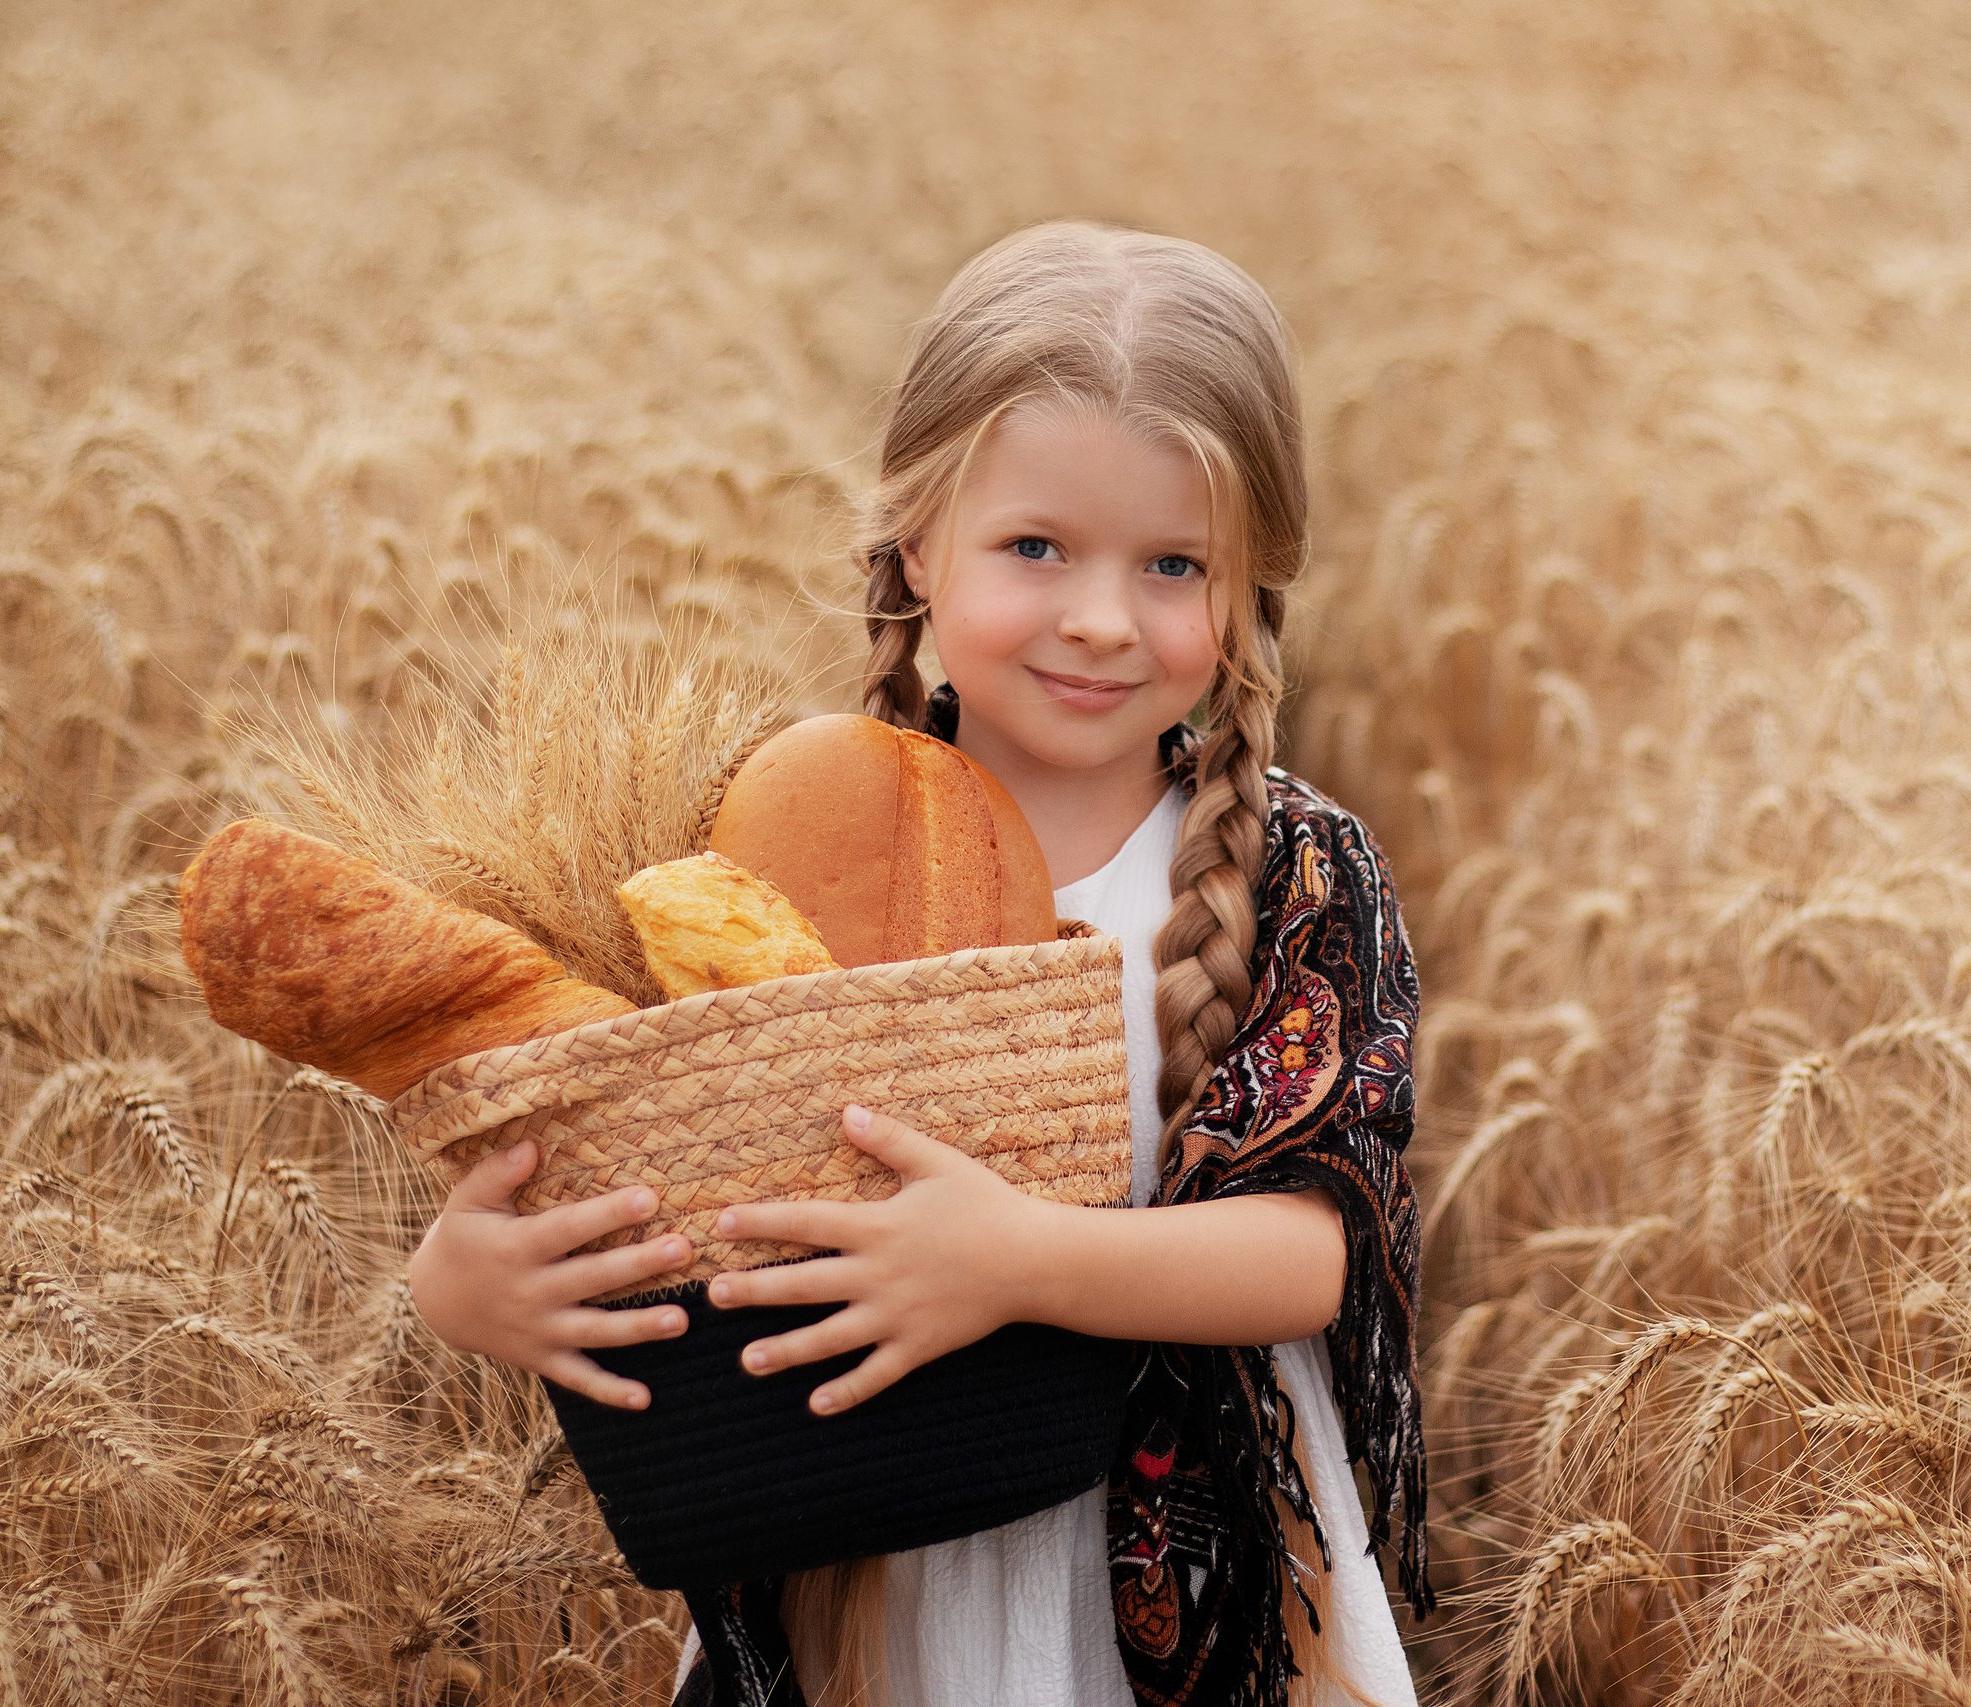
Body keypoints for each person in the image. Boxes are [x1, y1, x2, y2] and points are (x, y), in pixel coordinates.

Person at [407, 222, 1430, 1707]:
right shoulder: (755, 848)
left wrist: (1018, 1262)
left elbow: (1310, 1252)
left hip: (1189, 1589)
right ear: (913, 540)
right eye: (1036, 548)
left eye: (1172, 565)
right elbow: (619, 1162)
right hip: (853, 1587)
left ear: (1250, 583)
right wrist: (467, 1283)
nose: (1099, 616)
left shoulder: (1296, 871)